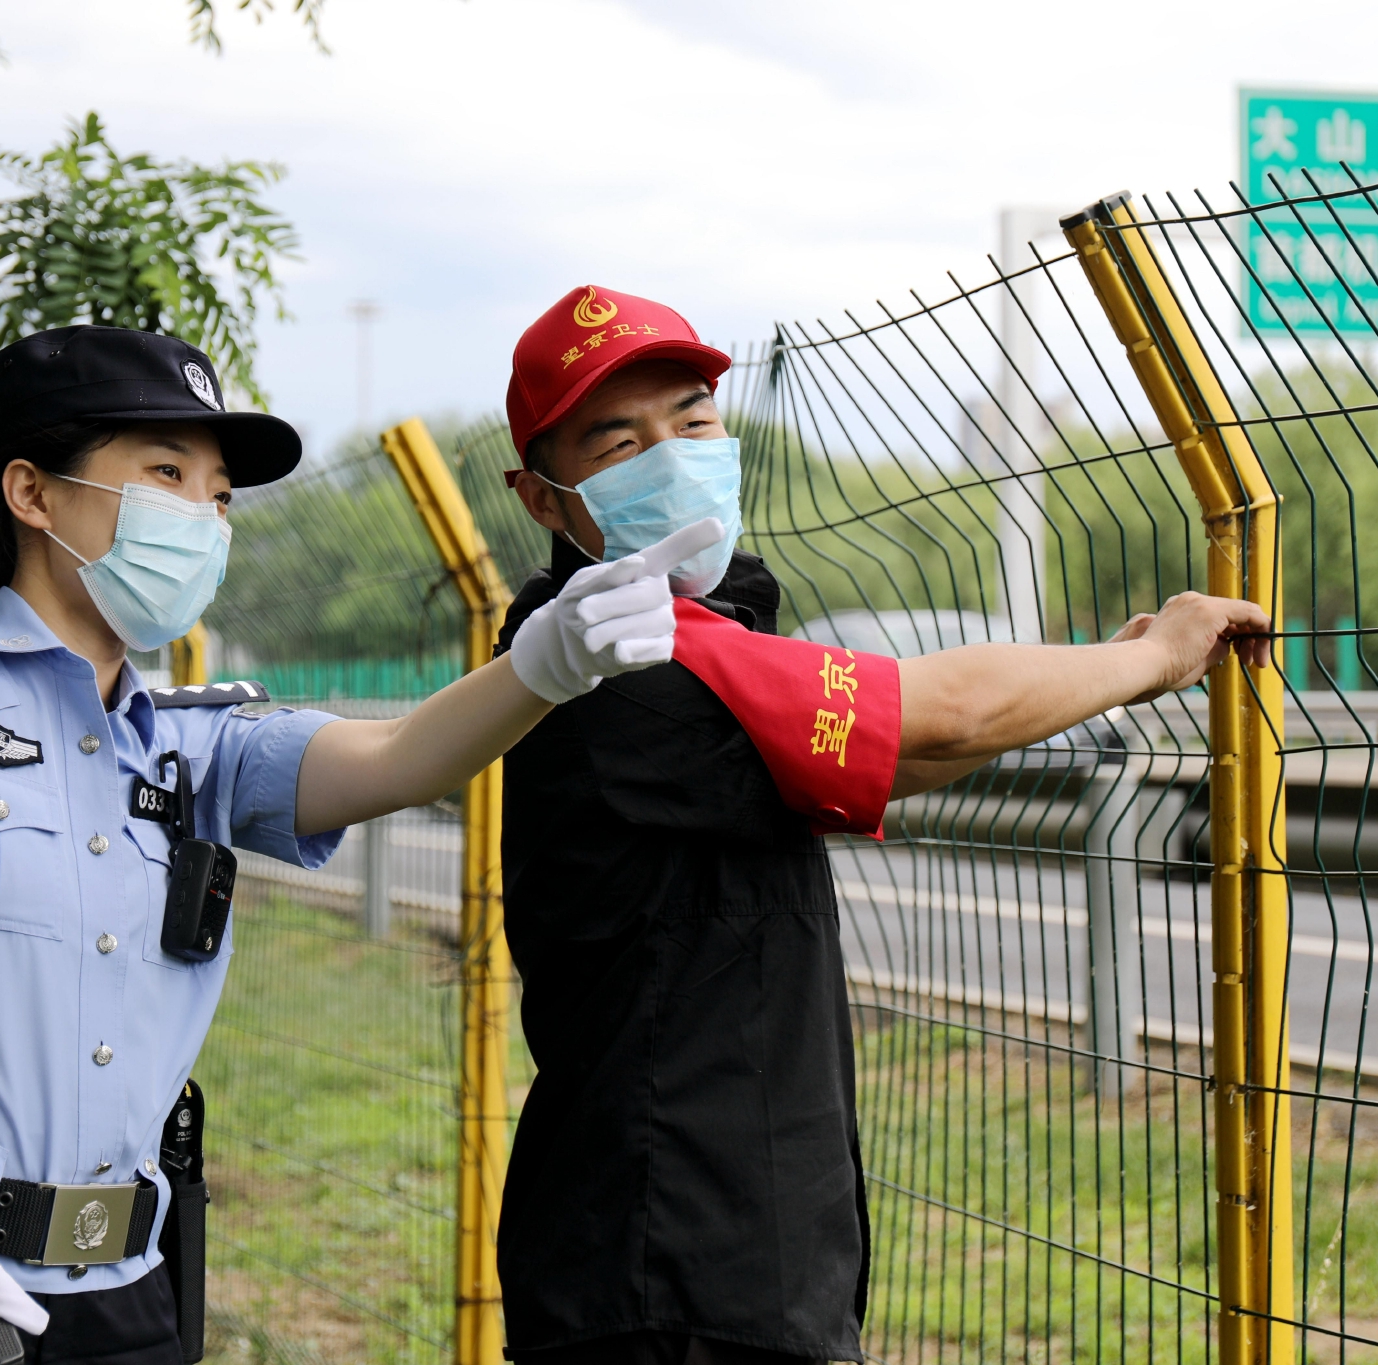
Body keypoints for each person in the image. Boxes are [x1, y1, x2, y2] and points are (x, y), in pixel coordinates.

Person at [0, 324, 717, 1365]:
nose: (202, 517)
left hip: (129, 1304)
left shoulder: (190, 747)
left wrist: (547, 662)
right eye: (164, 473)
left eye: (217, 496)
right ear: (32, 493)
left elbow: (400, 756)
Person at [493, 286, 1273, 1365]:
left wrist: (1086, 680)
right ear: (541, 498)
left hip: (718, 1233)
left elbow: (913, 749)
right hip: (663, 1258)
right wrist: (1145, 659)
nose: (669, 456)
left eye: (690, 420)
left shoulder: (695, 635)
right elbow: (934, 715)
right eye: (618, 442)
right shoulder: (610, 658)